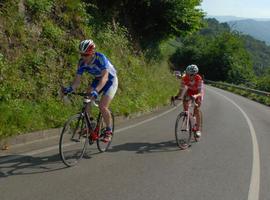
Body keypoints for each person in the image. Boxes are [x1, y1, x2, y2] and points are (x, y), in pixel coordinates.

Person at [63, 39, 118, 142]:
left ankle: (108, 131)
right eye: (82, 54)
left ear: (92, 52)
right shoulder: (81, 63)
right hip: (98, 79)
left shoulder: (100, 58)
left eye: (86, 55)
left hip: (110, 80)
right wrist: (70, 88)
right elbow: (77, 81)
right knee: (87, 97)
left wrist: (96, 91)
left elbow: (105, 77)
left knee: (103, 106)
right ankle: (90, 124)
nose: (84, 57)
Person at [175, 64, 203, 138]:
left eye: (190, 74)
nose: (188, 75)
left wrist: (196, 96)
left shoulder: (199, 78)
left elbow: (200, 92)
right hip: (190, 91)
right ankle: (187, 116)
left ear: (195, 74)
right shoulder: (184, 78)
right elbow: (181, 90)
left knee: (196, 109)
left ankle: (198, 129)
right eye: (187, 73)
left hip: (198, 93)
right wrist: (177, 96)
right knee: (185, 101)